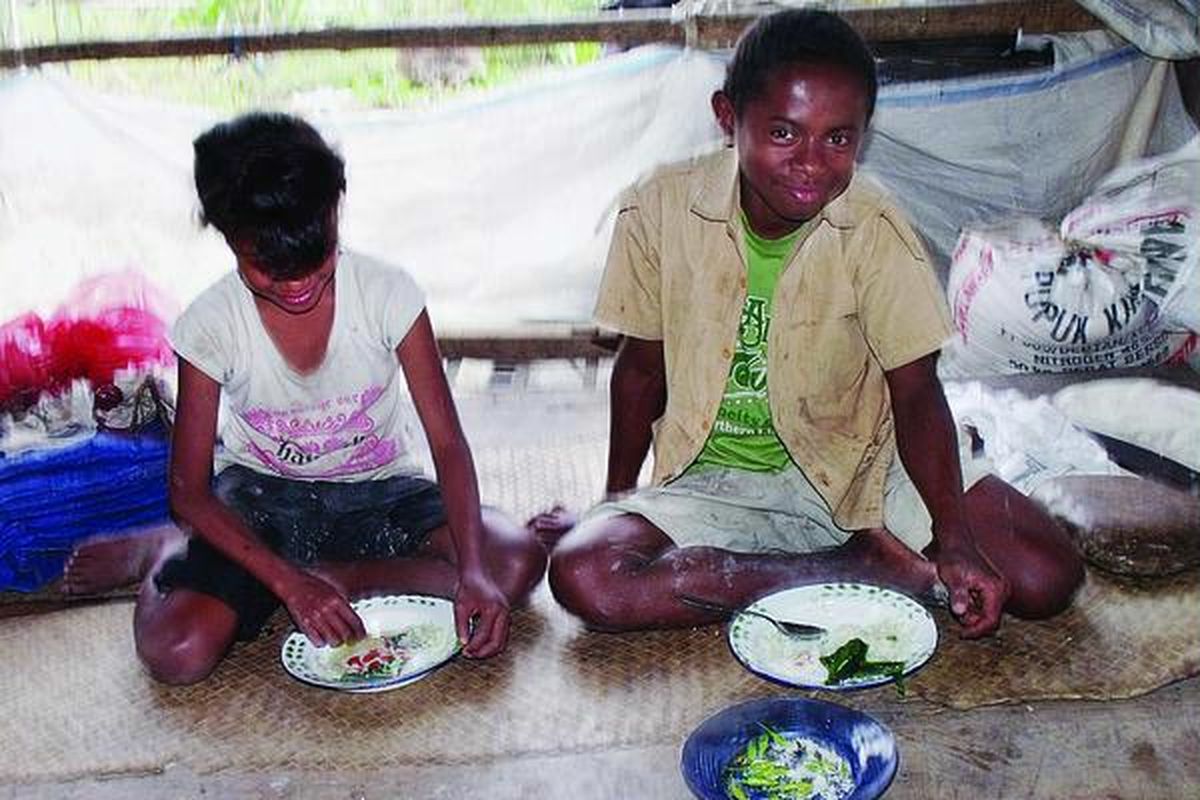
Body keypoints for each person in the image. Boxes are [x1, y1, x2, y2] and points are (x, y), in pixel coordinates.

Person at [547, 9, 1083, 639]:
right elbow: (640, 373)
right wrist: (613, 504)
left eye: (837, 138)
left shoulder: (875, 227)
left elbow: (915, 394)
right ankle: (852, 568)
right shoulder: (659, 208)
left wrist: (955, 537)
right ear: (728, 118)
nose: (811, 163)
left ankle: (841, 559)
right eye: (783, 133)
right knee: (588, 575)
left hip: (862, 463)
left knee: (1044, 578)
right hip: (716, 479)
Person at [65, 112, 545, 684]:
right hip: (262, 500)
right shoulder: (210, 326)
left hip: (379, 490)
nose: (296, 283)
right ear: (227, 237)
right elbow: (189, 492)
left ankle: (335, 580)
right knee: (180, 653)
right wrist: (288, 581)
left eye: (315, 257)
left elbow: (447, 443)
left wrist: (473, 570)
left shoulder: (388, 294)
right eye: (267, 267)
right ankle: (163, 555)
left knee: (512, 567)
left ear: (335, 210)